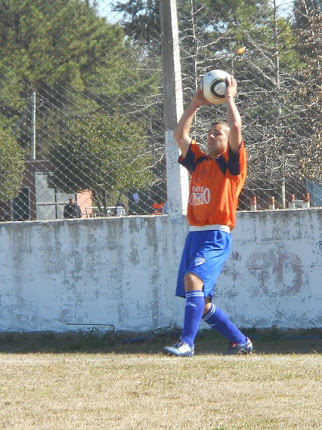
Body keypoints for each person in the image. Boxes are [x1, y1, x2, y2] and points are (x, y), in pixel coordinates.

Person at [164, 75, 253, 356]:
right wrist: (195, 103)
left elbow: (236, 125)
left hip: (216, 234)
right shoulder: (200, 159)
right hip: (195, 235)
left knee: (193, 279)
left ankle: (187, 344)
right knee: (200, 303)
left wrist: (229, 98)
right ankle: (240, 341)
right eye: (210, 133)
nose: (211, 136)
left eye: (218, 133)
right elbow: (179, 135)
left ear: (229, 142)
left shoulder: (231, 163)